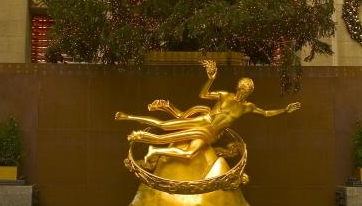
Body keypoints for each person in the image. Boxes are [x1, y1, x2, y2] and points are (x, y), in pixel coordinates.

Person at [115, 59, 300, 168]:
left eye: (248, 90)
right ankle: (128, 117)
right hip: (203, 121)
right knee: (163, 126)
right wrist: (210, 79)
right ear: (238, 87)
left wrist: (284, 110)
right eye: (243, 88)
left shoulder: (247, 107)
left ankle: (154, 150)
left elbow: (266, 113)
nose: (244, 92)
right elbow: (203, 95)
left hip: (210, 133)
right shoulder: (225, 95)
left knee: (188, 154)